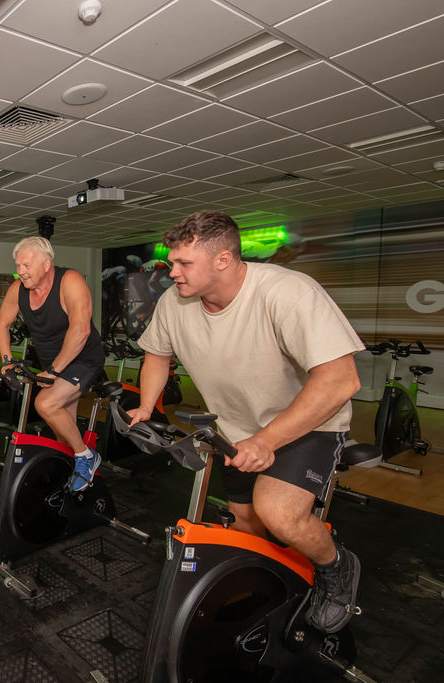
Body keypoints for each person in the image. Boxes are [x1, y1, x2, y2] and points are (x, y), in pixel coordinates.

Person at [127, 210, 364, 634]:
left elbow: (341, 379)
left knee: (279, 515)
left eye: (184, 263)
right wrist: (147, 405)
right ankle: (278, 581)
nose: (172, 271)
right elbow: (157, 355)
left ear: (223, 259)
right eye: (172, 261)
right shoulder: (173, 302)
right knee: (248, 525)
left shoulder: (286, 291)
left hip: (306, 423)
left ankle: (336, 566)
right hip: (235, 428)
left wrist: (269, 440)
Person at [0, 236, 105, 491]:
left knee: (45, 403)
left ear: (47, 264)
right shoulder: (17, 289)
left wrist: (54, 371)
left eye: (26, 265)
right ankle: (73, 468)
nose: (20, 271)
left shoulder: (70, 281)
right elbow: (2, 324)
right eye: (17, 265)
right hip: (51, 364)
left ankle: (87, 457)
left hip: (83, 359)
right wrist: (7, 362)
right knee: (61, 428)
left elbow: (81, 331)